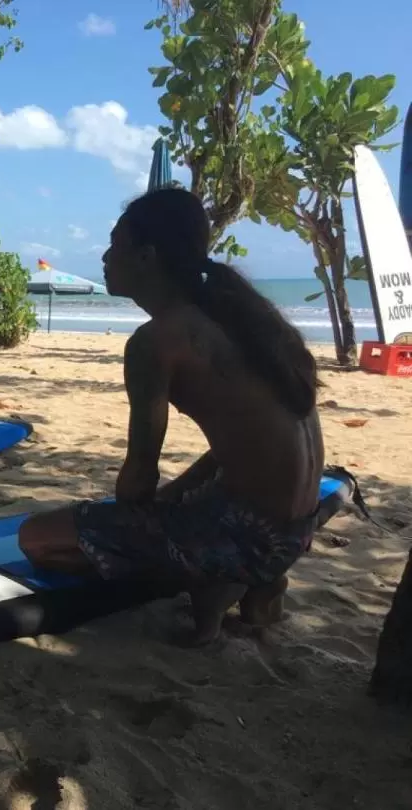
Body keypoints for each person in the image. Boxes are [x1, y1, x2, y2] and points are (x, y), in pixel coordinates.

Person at [18, 188, 325, 646]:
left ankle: (217, 578)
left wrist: (126, 524)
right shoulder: (238, 317)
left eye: (114, 244)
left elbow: (138, 477)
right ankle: (253, 584)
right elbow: (241, 446)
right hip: (299, 529)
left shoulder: (156, 341)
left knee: (37, 539)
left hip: (247, 539)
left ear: (147, 256)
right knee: (178, 500)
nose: (103, 257)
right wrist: (175, 498)